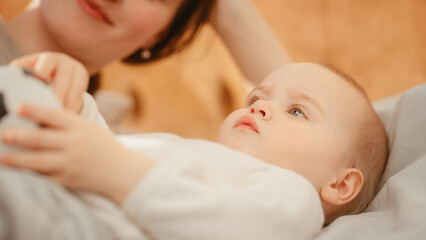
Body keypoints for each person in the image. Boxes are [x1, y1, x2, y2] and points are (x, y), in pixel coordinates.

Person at [0, 52, 388, 239]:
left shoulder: (291, 196)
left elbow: (244, 229)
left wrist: (119, 172)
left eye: (298, 111)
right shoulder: (185, 149)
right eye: (257, 98)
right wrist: (73, 100)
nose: (263, 108)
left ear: (340, 185)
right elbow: (103, 149)